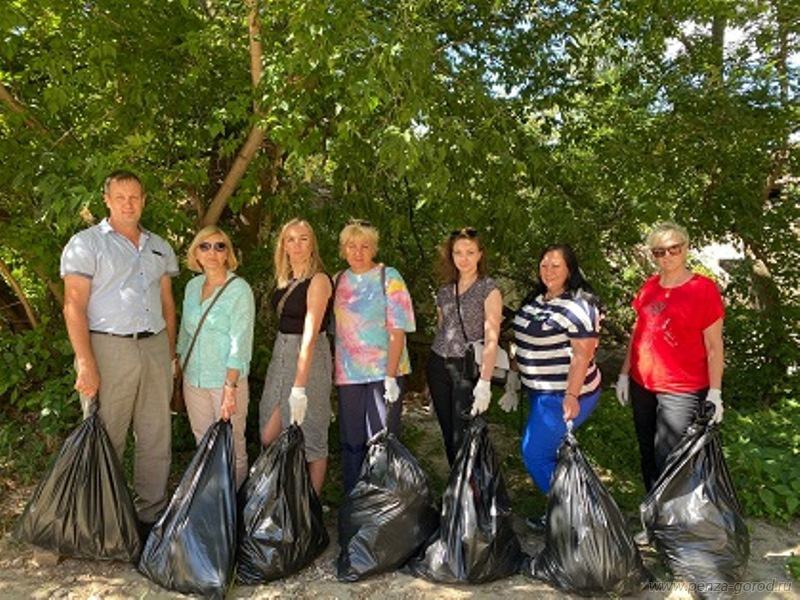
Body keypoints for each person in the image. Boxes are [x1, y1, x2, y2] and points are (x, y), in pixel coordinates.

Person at [61, 170, 178, 532]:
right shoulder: (86, 244)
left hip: (155, 346)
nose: (129, 204)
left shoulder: (159, 246)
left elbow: (167, 304)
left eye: (135, 197)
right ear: (107, 200)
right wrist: (85, 361)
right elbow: (73, 306)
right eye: (121, 197)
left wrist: (170, 355)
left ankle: (150, 514)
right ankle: (99, 519)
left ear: (144, 200)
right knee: (106, 433)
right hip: (108, 347)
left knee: (156, 432)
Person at [616, 221, 725, 495]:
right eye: (659, 251)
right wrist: (624, 372)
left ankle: (673, 527)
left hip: (682, 390)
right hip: (644, 385)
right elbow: (638, 331)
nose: (666, 256)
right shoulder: (650, 286)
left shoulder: (703, 289)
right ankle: (655, 517)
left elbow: (714, 345)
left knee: (671, 457)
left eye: (673, 248)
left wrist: (715, 391)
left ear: (686, 248)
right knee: (647, 454)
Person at [512, 244, 604, 529]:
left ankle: (580, 514)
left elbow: (582, 355)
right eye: (544, 264)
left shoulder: (579, 305)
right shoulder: (538, 300)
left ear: (570, 270)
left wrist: (571, 396)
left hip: (564, 395)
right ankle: (562, 511)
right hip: (539, 391)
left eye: (556, 266)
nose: (548, 271)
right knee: (550, 454)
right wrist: (515, 377)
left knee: (535, 453)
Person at [332, 219, 416, 493]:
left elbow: (398, 329)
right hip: (349, 374)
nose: (358, 252)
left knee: (381, 439)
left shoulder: (389, 277)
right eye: (352, 246)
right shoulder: (337, 281)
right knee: (352, 441)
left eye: (365, 246)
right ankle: (354, 505)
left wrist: (391, 376)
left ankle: (385, 506)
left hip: (384, 372)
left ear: (374, 248)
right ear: (343, 249)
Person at [177, 225, 255, 489]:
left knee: (232, 444)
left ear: (227, 253)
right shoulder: (192, 286)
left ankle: (233, 508)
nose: (212, 252)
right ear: (196, 253)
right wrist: (177, 367)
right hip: (193, 380)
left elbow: (240, 342)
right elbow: (185, 333)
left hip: (225, 381)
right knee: (203, 442)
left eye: (219, 246)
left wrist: (230, 387)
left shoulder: (239, 289)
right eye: (205, 246)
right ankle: (211, 504)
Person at [260, 219, 333, 496]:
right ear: (283, 245)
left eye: (303, 238)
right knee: (269, 433)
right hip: (282, 354)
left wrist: (300, 386)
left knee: (312, 433)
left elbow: (311, 334)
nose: (297, 245)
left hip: (309, 358)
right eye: (291, 239)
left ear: (312, 243)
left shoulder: (319, 280)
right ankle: (286, 497)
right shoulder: (284, 279)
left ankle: (310, 508)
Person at [426, 227, 503, 466]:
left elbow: (492, 337)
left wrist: (485, 382)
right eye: (458, 252)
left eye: (470, 252)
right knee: (449, 434)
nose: (464, 258)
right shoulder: (445, 291)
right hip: (439, 365)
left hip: (467, 369)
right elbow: (442, 330)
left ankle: (476, 493)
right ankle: (457, 491)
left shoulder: (488, 289)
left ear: (480, 254)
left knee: (467, 435)